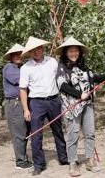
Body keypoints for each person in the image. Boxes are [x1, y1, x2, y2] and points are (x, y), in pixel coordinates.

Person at [55, 37, 105, 177]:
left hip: (87, 104)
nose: (74, 54)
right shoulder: (61, 67)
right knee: (73, 134)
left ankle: (90, 160)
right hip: (71, 107)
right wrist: (79, 94)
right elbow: (62, 85)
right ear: (66, 52)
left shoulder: (83, 66)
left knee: (90, 133)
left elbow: (92, 77)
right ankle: (72, 163)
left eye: (76, 51)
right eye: (71, 51)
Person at [19, 36, 68, 175]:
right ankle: (39, 165)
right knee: (36, 134)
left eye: (39, 48)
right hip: (36, 103)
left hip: (54, 100)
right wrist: (26, 109)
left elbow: (61, 79)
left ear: (43, 48)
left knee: (58, 130)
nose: (37, 51)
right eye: (33, 49)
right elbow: (22, 89)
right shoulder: (25, 67)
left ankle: (63, 158)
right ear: (29, 52)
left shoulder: (52, 62)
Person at [2, 43, 32, 170]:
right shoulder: (9, 68)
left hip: (23, 102)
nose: (19, 56)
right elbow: (23, 82)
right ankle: (20, 161)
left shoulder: (22, 67)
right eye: (16, 54)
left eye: (20, 54)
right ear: (11, 56)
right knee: (19, 133)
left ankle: (23, 158)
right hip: (14, 103)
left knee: (25, 131)